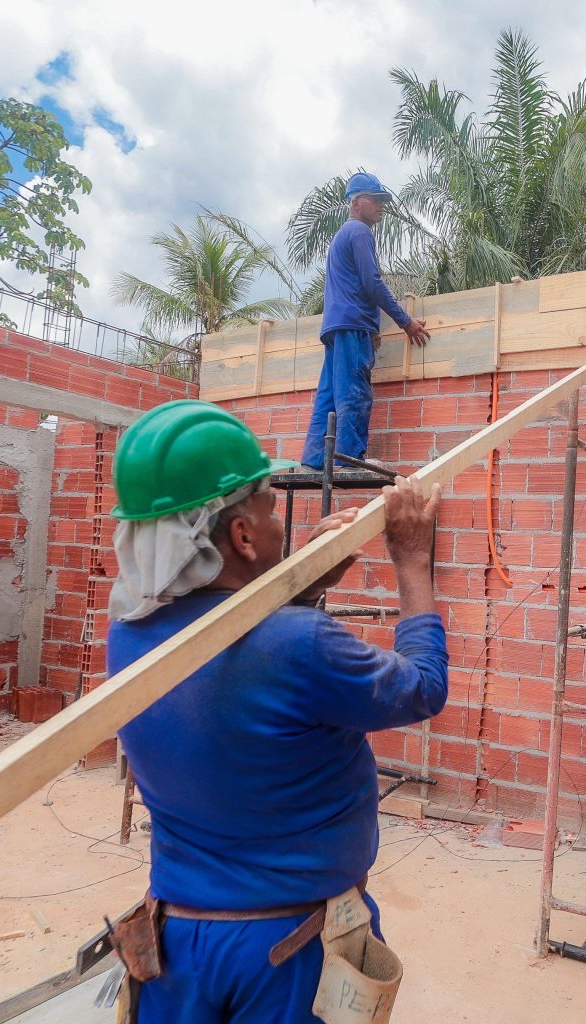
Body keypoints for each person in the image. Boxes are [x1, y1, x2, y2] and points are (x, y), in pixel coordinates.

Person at [105, 398, 447, 1022]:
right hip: (289, 954)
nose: (277, 522)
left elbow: (227, 642)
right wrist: (413, 557)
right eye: (268, 508)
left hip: (176, 942)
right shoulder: (300, 644)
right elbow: (422, 687)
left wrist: (298, 581)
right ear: (240, 536)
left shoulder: (127, 638)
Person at [302, 171, 432, 471]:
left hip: (338, 325)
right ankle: (350, 459)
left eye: (382, 202)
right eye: (376, 201)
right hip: (352, 324)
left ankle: (313, 460)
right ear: (357, 202)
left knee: (330, 393)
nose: (381, 207)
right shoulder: (359, 232)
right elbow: (372, 283)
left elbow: (356, 284)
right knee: (354, 392)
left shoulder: (342, 236)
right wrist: (405, 321)